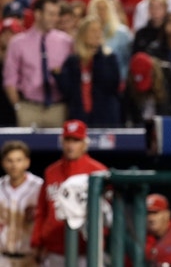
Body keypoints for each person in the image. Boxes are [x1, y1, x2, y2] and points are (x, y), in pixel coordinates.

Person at [31, 119, 108, 267]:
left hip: (86, 252)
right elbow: (42, 210)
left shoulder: (98, 171)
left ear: (85, 143)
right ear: (62, 142)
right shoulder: (50, 171)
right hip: (54, 250)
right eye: (67, 140)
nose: (71, 145)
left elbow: (107, 214)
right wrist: (37, 242)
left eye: (76, 140)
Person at [3, 0, 72, 127]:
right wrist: (18, 107)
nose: (55, 19)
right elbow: (10, 79)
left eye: (57, 14)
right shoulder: (18, 43)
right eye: (51, 14)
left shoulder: (66, 42)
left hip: (58, 108)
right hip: (29, 108)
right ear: (38, 14)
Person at [53, 15, 121, 127]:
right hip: (79, 115)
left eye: (99, 31)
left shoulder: (109, 58)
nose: (97, 34)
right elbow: (67, 91)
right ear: (83, 34)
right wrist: (59, 76)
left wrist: (98, 57)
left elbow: (113, 85)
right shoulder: (73, 61)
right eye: (93, 31)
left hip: (105, 117)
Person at [0, 140, 43, 267]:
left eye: (19, 160)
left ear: (27, 162)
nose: (14, 165)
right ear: (3, 163)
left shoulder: (39, 187)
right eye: (10, 160)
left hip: (31, 258)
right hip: (2, 258)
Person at [124, 52, 171, 126]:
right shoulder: (131, 82)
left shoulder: (169, 74)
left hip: (166, 125)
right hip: (143, 126)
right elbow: (128, 110)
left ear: (152, 71)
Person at [86, 0, 133, 82]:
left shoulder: (122, 33)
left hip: (117, 80)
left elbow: (128, 60)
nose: (101, 12)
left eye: (104, 8)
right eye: (97, 8)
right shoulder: (85, 33)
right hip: (92, 81)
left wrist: (122, 79)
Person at [145, 193, 171, 267]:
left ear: (167, 214)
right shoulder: (142, 238)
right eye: (148, 213)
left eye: (155, 213)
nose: (151, 218)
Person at [0, 17, 23, 126]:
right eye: (4, 33)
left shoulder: (23, 59)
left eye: (12, 33)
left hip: (17, 109)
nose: (8, 37)